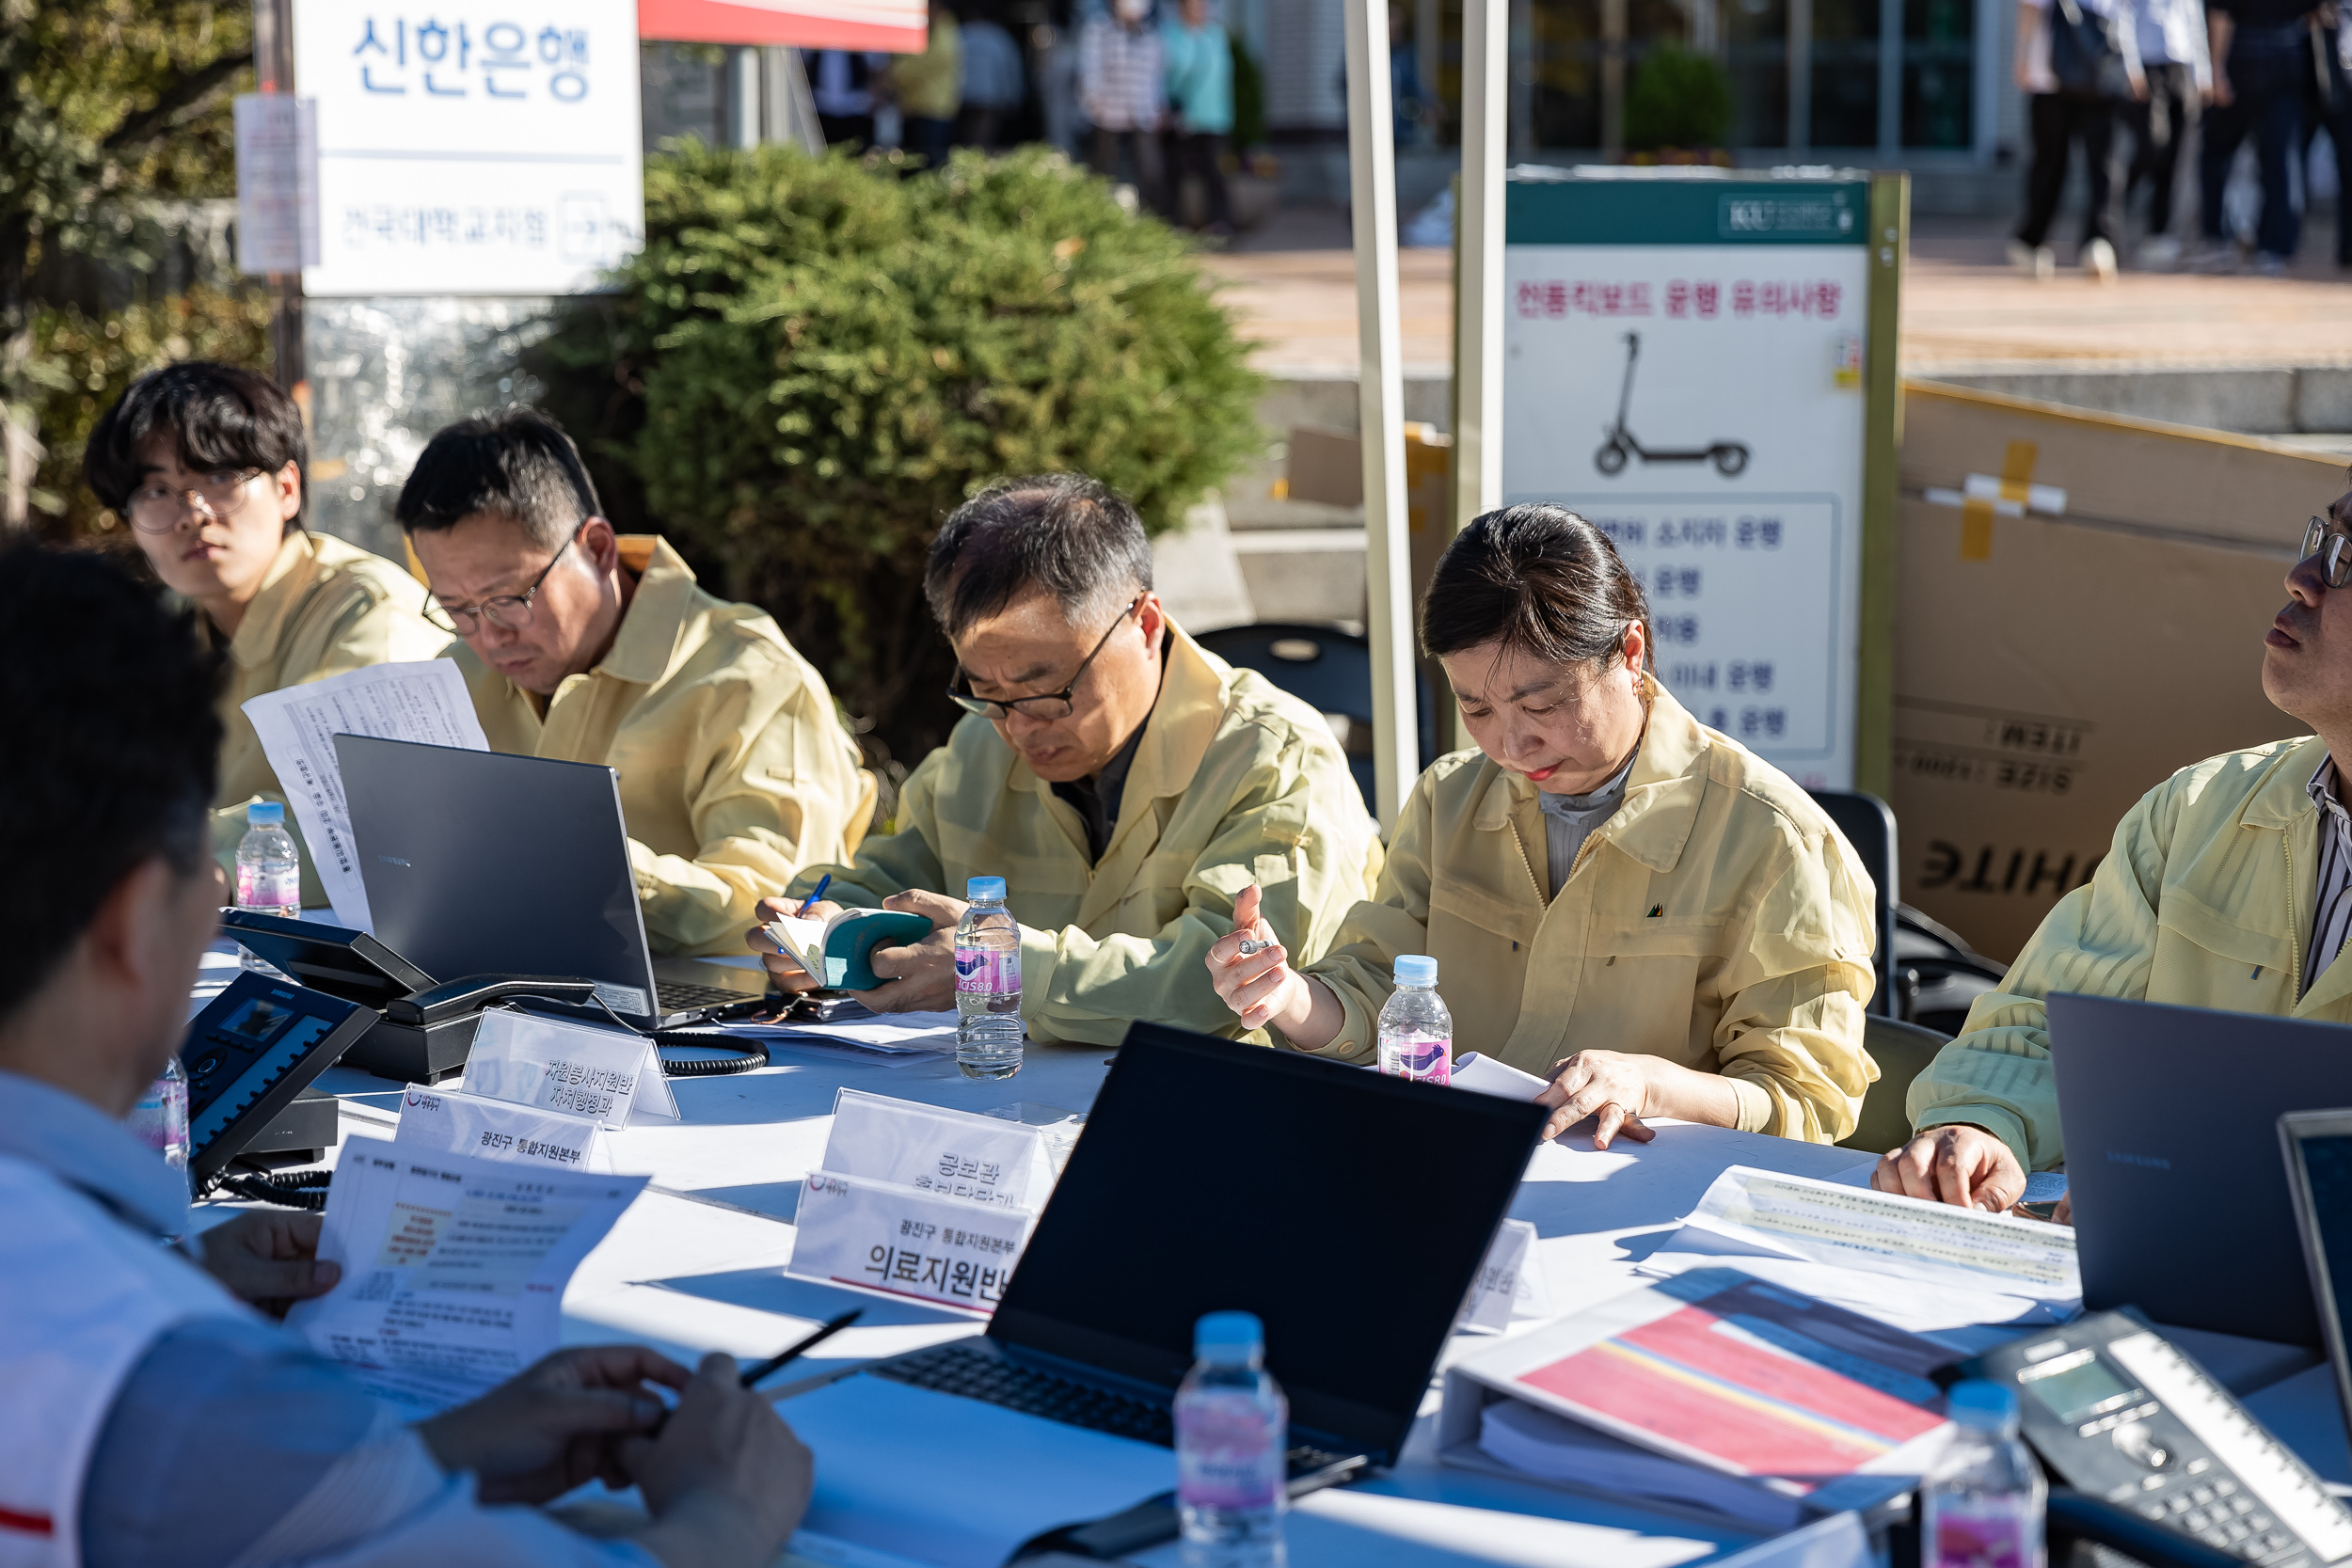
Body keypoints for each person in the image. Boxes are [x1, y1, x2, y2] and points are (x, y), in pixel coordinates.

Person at [0, 541, 812, 1568]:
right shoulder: (163, 1373)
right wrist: (726, 1514)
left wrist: (427, 1451)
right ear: (128, 923)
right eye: (196, 878)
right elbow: (175, 1442)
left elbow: (204, 1495)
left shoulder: (147, 1348)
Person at [1204, 504, 1880, 1148]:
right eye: (1476, 709)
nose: (1511, 745)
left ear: (1630, 651)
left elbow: (1806, 1098)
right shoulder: (1450, 799)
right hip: (1447, 1170)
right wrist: (1288, 996)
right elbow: (1381, 994)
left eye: (1545, 704)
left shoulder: (1775, 838)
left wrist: (1649, 1083)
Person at [751, 474, 1382, 1048]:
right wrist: (819, 933)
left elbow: (1220, 990)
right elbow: (888, 883)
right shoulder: (978, 747)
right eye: (987, 694)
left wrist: (1000, 968)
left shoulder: (1275, 758)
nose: (1021, 727)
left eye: (1048, 689)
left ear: (1146, 623)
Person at [1881, 491, 2352, 1212]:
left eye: (2346, 560)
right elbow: (2044, 1019)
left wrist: (2209, 1196)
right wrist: (1977, 1124)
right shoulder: (2197, 810)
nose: (2301, 576)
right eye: (2319, 537)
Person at [395, 409, 873, 958]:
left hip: (709, 1030)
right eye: (457, 609)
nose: (488, 637)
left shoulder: (749, 679)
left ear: (598, 549)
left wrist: (587, 868)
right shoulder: (459, 673)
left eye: (509, 600)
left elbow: (774, 912)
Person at [81, 362, 449, 908]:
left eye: (217, 477)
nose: (192, 514)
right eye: (158, 489)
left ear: (287, 488)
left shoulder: (368, 614)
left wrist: (187, 870)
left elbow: (372, 825)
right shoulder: (160, 626)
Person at [2010, 0, 2142, 280]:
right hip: (2049, 77)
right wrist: (2022, 55)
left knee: (2105, 165)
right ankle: (2033, 241)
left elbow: (2124, 15)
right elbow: (2031, 7)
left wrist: (2132, 66)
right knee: (2051, 163)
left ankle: (2099, 242)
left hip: (2102, 77)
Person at [2191, 0, 2313, 273]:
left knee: (2218, 153)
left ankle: (2217, 237)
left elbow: (2220, 13)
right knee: (2276, 158)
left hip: (2243, 58)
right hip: (2287, 58)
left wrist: (2216, 68)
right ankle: (2274, 245)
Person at [2120, 0, 2213, 268]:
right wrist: (2131, 68)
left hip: (2181, 66)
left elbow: (2195, 23)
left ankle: (2158, 233)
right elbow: (2123, 18)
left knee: (2173, 156)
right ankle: (2113, 207)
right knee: (2153, 146)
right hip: (2147, 66)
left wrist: (2203, 75)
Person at [1079, 0, 1168, 212]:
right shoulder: (1099, 30)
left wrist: (1158, 108)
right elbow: (1089, 72)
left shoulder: (1151, 35)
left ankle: (1150, 224)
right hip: (1107, 116)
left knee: (1150, 173)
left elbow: (1156, 77)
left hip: (1142, 115)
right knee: (1103, 174)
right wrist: (1096, 105)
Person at [1161, 0, 1235, 234]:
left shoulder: (1216, 35)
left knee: (1216, 172)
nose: (1198, 10)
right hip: (1182, 118)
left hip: (1214, 117)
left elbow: (1224, 76)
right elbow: (1164, 75)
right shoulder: (1170, 35)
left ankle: (1220, 223)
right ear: (1182, 8)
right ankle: (1174, 224)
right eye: (1192, 5)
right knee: (1175, 171)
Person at [890, 7, 964, 167]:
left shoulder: (944, 32)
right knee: (914, 164)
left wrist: (892, 74)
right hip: (920, 108)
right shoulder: (940, 29)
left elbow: (925, 64)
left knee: (926, 166)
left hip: (932, 110)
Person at [959, 2, 1027, 150]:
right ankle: (978, 167)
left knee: (965, 139)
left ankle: (966, 167)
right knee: (982, 140)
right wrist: (1013, 97)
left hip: (962, 95)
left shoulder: (960, 33)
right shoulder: (998, 35)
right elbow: (1010, 68)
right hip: (989, 96)